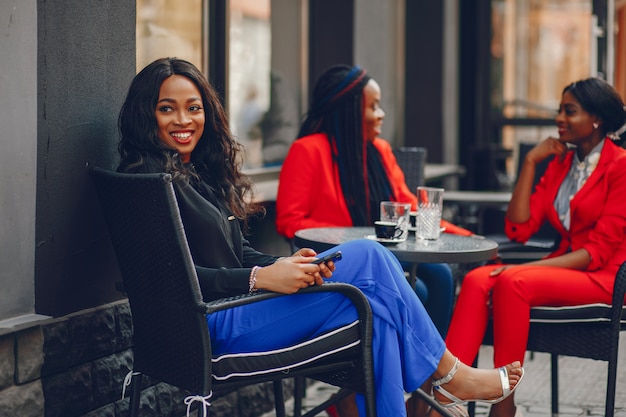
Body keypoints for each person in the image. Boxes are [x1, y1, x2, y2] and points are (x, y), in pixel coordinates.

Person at [116, 57, 524, 417]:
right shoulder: (149, 182)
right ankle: (451, 375)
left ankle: (434, 386)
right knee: (369, 255)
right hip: (210, 325)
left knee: (376, 311)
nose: (183, 120)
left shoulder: (195, 174)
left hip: (239, 308)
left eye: (194, 108)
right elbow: (170, 279)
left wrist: (283, 265)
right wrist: (259, 279)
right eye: (167, 109)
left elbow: (235, 249)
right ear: (146, 115)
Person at [441, 78, 626, 417]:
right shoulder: (561, 164)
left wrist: (522, 269)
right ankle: (445, 398)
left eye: (569, 111)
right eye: (559, 110)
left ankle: (503, 404)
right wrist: (530, 163)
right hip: (566, 268)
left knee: (514, 281)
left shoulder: (621, 166)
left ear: (597, 118)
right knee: (477, 280)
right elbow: (519, 226)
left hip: (606, 277)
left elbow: (596, 253)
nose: (559, 118)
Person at [275, 64, 471, 337]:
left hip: (389, 253)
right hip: (333, 262)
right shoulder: (307, 151)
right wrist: (356, 236)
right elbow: (289, 222)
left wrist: (468, 237)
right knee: (420, 289)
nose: (381, 115)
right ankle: (405, 373)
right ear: (351, 111)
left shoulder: (380, 150)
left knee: (440, 274)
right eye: (374, 107)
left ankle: (431, 376)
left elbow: (411, 207)